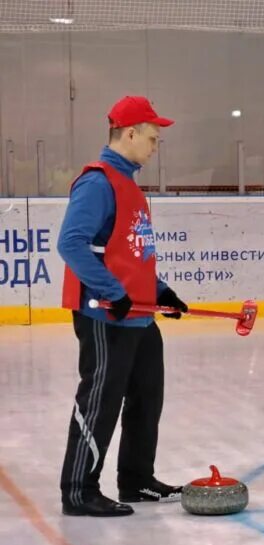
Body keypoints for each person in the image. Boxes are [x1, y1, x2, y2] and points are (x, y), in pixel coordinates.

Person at [57, 95, 188, 516]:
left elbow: (132, 253)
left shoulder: (127, 183)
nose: (155, 146)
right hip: (105, 314)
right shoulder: (98, 182)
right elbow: (71, 244)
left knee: (147, 397)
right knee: (100, 399)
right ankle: (79, 489)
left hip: (138, 315)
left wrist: (159, 290)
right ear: (128, 133)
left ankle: (135, 480)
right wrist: (113, 293)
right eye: (152, 138)